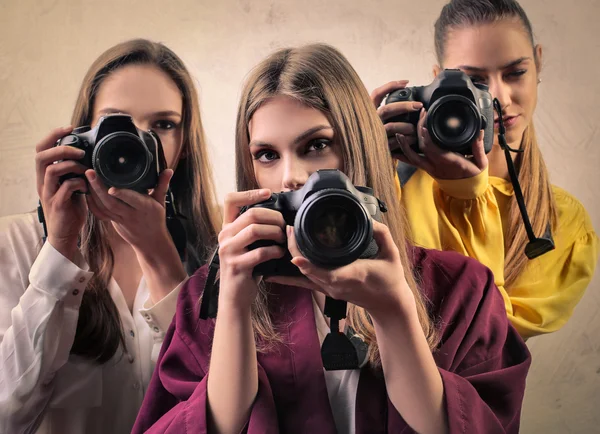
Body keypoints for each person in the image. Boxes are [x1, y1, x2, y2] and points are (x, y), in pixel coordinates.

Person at [133, 43, 531, 434]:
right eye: (267, 155)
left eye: (317, 145)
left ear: (358, 148)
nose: (291, 176)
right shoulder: (206, 298)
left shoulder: (463, 288)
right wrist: (234, 308)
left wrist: (393, 312)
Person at [0, 39, 221, 434]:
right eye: (114, 123)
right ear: (82, 135)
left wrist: (160, 257)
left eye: (163, 125)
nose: (133, 143)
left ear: (184, 144)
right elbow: (7, 417)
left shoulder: (219, 247)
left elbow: (226, 409)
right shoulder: (17, 243)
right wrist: (59, 250)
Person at [371, 0, 598, 339]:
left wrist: (467, 195)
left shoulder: (562, 224)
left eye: (515, 73)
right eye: (475, 81)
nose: (500, 98)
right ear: (438, 82)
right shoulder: (396, 181)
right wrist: (365, 159)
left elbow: (492, 342)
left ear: (538, 63)